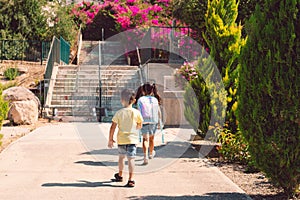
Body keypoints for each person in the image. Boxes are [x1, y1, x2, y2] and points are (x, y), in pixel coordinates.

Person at [108, 89, 143, 187]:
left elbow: (113, 127)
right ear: (134, 100)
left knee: (121, 158)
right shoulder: (136, 113)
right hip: (132, 140)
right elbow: (140, 124)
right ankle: (131, 179)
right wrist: (136, 129)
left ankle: (119, 175)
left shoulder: (119, 113)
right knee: (131, 159)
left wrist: (110, 139)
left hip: (121, 140)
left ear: (121, 100)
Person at [137, 83, 161, 165]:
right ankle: (151, 154)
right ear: (152, 91)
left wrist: (138, 122)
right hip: (153, 121)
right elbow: (158, 111)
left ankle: (145, 156)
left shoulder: (140, 100)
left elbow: (138, 111)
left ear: (143, 91)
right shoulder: (155, 100)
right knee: (151, 139)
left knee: (145, 139)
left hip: (143, 120)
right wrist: (159, 121)